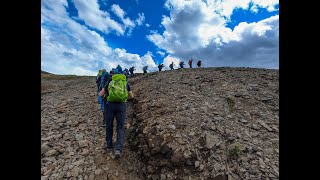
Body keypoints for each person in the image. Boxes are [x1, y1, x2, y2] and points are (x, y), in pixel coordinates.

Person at [99, 71, 134, 159]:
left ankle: (109, 146)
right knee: (120, 127)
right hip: (121, 106)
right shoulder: (125, 82)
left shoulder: (110, 81)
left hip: (110, 105)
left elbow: (101, 94)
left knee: (109, 126)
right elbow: (131, 96)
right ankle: (118, 149)